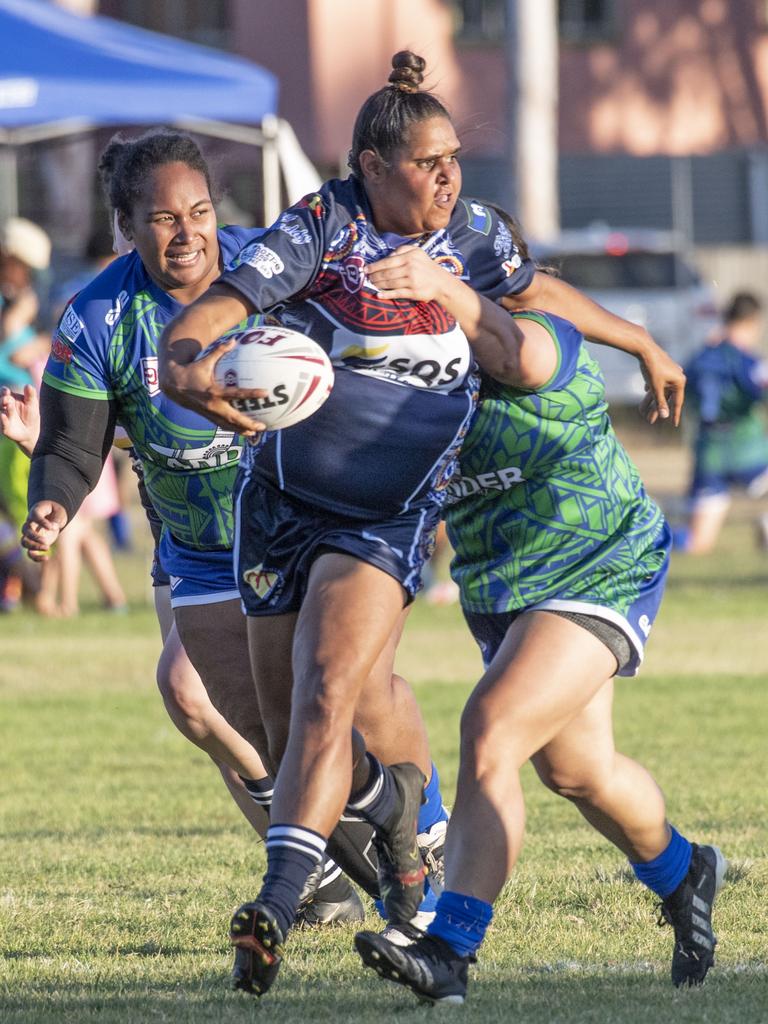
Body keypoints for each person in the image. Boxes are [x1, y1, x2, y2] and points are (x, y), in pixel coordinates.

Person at [158, 51, 686, 998]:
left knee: (406, 711)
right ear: (370, 162)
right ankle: (413, 810)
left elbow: (533, 321)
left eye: (456, 160)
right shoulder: (325, 230)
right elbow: (222, 307)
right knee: (551, 767)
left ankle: (351, 923)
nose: (450, 179)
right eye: (428, 162)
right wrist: (190, 364)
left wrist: (634, 336)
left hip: (487, 537)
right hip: (355, 528)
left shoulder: (485, 270)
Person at [353, 215, 726, 1002]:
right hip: (503, 585)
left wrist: (444, 286)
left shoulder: (541, 340)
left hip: (599, 561)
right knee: (578, 771)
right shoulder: (413, 371)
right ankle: (684, 868)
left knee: (490, 731)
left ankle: (450, 949)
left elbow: (516, 343)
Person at [18, 129, 381, 925]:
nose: (187, 234)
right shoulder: (99, 315)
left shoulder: (271, 272)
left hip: (302, 525)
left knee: (330, 690)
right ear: (126, 227)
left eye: (201, 211)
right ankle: (319, 873)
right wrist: (53, 498)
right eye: (162, 219)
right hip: (194, 537)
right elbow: (75, 443)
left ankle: (406, 833)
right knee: (203, 702)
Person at [674, 291, 768, 553]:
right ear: (753, 322)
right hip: (749, 450)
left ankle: (645, 535)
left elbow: (680, 389)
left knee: (697, 543)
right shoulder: (749, 362)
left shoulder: (699, 358)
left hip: (709, 453)